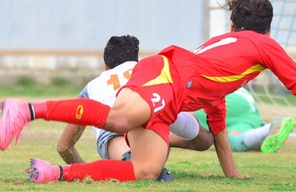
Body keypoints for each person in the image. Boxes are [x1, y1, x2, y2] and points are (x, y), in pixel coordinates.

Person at [0, 0, 296, 183]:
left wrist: (233, 178)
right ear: (267, 31)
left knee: (146, 169)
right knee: (118, 121)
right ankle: (25, 110)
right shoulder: (263, 46)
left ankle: (55, 173)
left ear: (233, 27)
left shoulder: (224, 52)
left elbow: (218, 128)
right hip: (165, 78)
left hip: (168, 86)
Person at [55, 35, 214, 182]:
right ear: (136, 60)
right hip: (154, 119)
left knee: (116, 138)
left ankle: (129, 160)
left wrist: (87, 170)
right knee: (189, 132)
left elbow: (64, 146)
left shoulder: (93, 87)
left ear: (106, 66)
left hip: (118, 132)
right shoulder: (151, 72)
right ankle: (201, 137)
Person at [192, 86, 296, 153]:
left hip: (225, 94)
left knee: (188, 115)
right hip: (251, 111)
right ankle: (268, 129)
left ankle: (265, 130)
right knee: (230, 142)